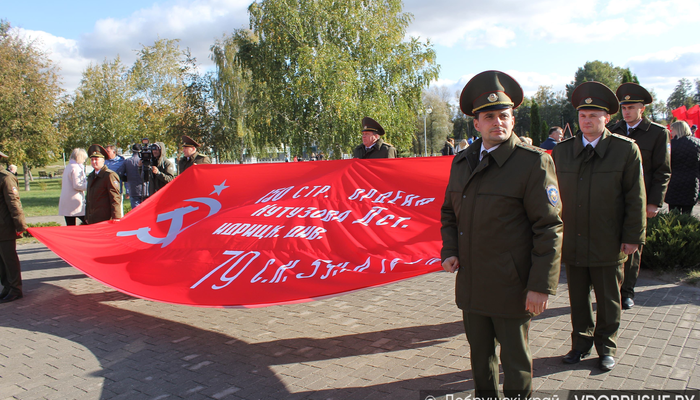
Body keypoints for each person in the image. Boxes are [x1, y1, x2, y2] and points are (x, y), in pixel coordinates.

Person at [440, 70, 563, 398]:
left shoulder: (532, 164)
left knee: (516, 362)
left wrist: (540, 286)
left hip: (513, 285)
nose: (498, 122)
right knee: (480, 360)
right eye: (489, 116)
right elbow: (450, 213)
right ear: (476, 124)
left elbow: (549, 228)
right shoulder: (462, 162)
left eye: (504, 115)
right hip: (472, 283)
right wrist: (449, 250)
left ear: (512, 119)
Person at [552, 81, 646, 372]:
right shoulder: (563, 151)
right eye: (582, 115)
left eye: (594, 115)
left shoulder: (625, 150)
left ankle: (606, 347)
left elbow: (636, 198)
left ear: (607, 119)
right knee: (578, 299)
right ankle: (580, 344)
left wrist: (633, 237)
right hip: (574, 240)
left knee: (608, 300)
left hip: (609, 240)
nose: (587, 120)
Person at [608, 83, 671, 310]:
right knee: (612, 244)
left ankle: (627, 292)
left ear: (641, 109)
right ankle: (612, 288)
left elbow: (662, 171)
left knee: (633, 247)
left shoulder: (657, 133)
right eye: (624, 107)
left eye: (631, 107)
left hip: (640, 200)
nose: (626, 111)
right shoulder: (613, 131)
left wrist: (654, 202)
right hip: (614, 200)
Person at [0, 150, 28, 303]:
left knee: (9, 259)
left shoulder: (6, 178)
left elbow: (14, 203)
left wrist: (20, 225)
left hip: (5, 226)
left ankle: (15, 289)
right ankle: (7, 287)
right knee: (1, 261)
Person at [665, 121, 700, 214]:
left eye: (672, 130)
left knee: (673, 215)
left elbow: (666, 164)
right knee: (687, 214)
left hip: (674, 182)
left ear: (677, 130)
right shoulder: (697, 143)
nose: (671, 133)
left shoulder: (671, 145)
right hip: (692, 182)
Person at [85, 145, 122, 224]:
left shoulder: (109, 175)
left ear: (103, 160)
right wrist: (87, 216)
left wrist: (116, 216)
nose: (94, 162)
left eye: (96, 159)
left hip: (105, 217)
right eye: (92, 160)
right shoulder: (91, 176)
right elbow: (88, 198)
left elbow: (115, 197)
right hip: (93, 217)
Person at [58, 148, 88, 226]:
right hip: (75, 200)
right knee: (88, 221)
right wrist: (90, 186)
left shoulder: (68, 166)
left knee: (70, 225)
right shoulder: (77, 168)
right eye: (84, 158)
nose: (84, 161)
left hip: (66, 200)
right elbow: (77, 185)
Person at [124, 144, 144, 209]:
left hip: (133, 189)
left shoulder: (127, 161)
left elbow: (119, 173)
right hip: (145, 189)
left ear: (132, 150)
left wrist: (127, 179)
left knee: (136, 212)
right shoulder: (145, 161)